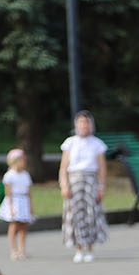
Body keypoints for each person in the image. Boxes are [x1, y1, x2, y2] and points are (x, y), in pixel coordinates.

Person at [58, 110, 108, 263]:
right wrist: (64, 185)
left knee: (91, 214)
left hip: (90, 181)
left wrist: (101, 187)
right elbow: (63, 167)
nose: (84, 126)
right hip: (75, 180)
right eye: (81, 123)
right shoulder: (70, 143)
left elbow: (102, 168)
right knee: (75, 214)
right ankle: (79, 248)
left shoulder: (97, 144)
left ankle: (90, 248)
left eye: (86, 123)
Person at [0, 149, 35, 260]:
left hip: (24, 201)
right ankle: (13, 250)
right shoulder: (9, 176)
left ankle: (22, 250)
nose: (24, 163)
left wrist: (31, 206)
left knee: (23, 227)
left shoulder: (26, 175)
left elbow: (29, 192)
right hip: (14, 201)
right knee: (14, 226)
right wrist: (11, 207)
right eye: (22, 160)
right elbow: (8, 193)